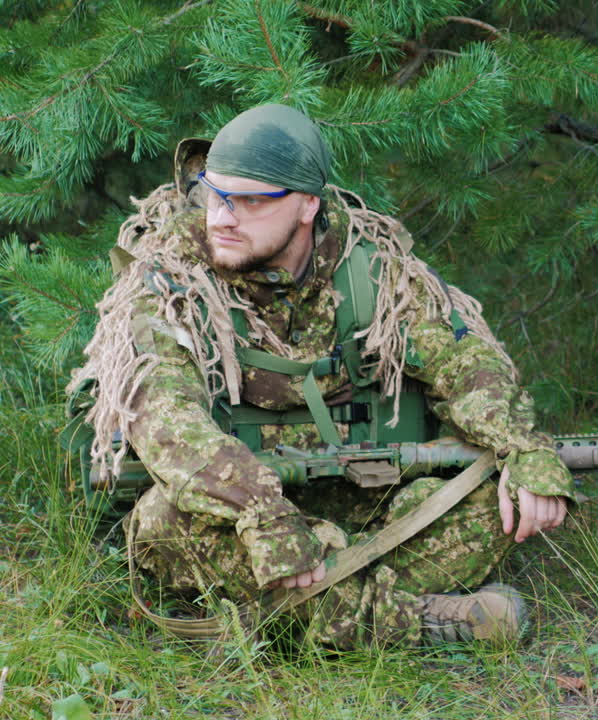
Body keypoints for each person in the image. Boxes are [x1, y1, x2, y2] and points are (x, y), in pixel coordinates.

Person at [71, 104, 571, 648]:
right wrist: (262, 513)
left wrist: (523, 448)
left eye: (250, 201)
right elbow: (167, 420)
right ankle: (426, 621)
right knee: (161, 524)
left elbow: (466, 363)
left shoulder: (371, 266)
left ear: (309, 203)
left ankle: (303, 605)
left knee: (495, 492)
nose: (221, 217)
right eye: (213, 192)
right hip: (237, 511)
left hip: (371, 497)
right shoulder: (169, 278)